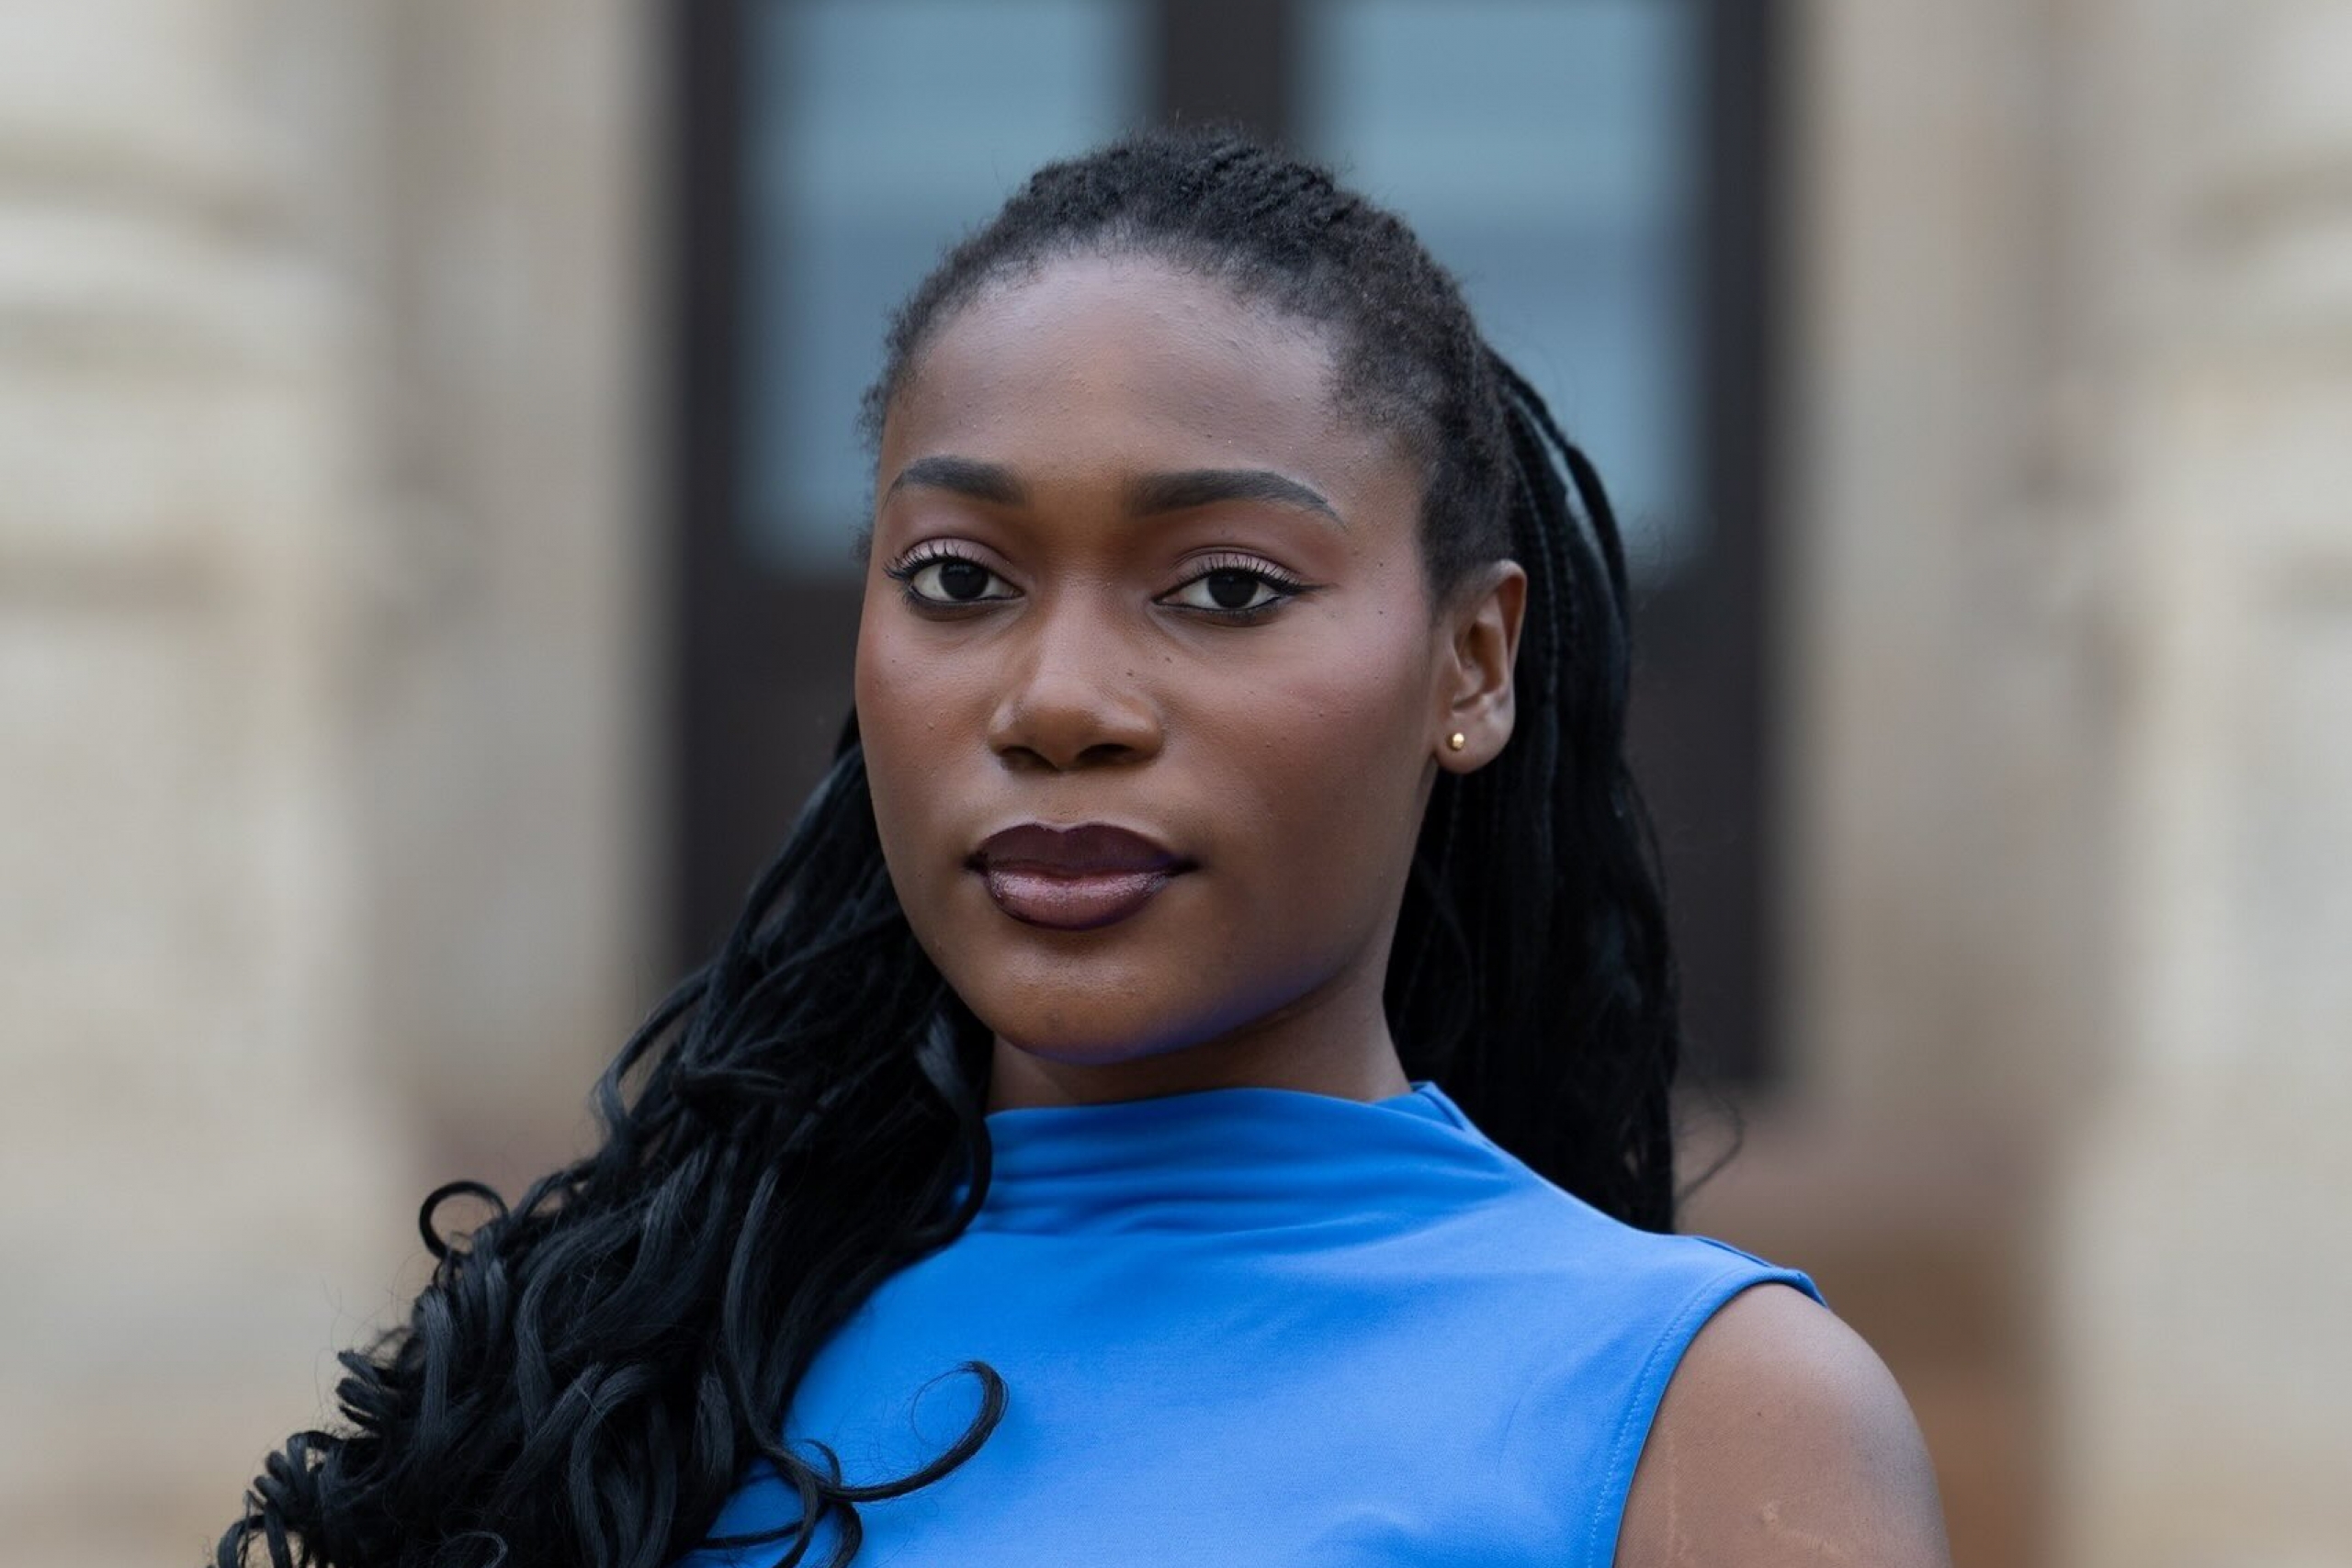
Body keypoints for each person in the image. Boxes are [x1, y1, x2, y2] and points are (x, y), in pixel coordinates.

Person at [220, 130, 1951, 1568]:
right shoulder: (606, 1388)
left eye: (1226, 589)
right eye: (961, 581)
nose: (1058, 704)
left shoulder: (1712, 1424)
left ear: (1471, 664)